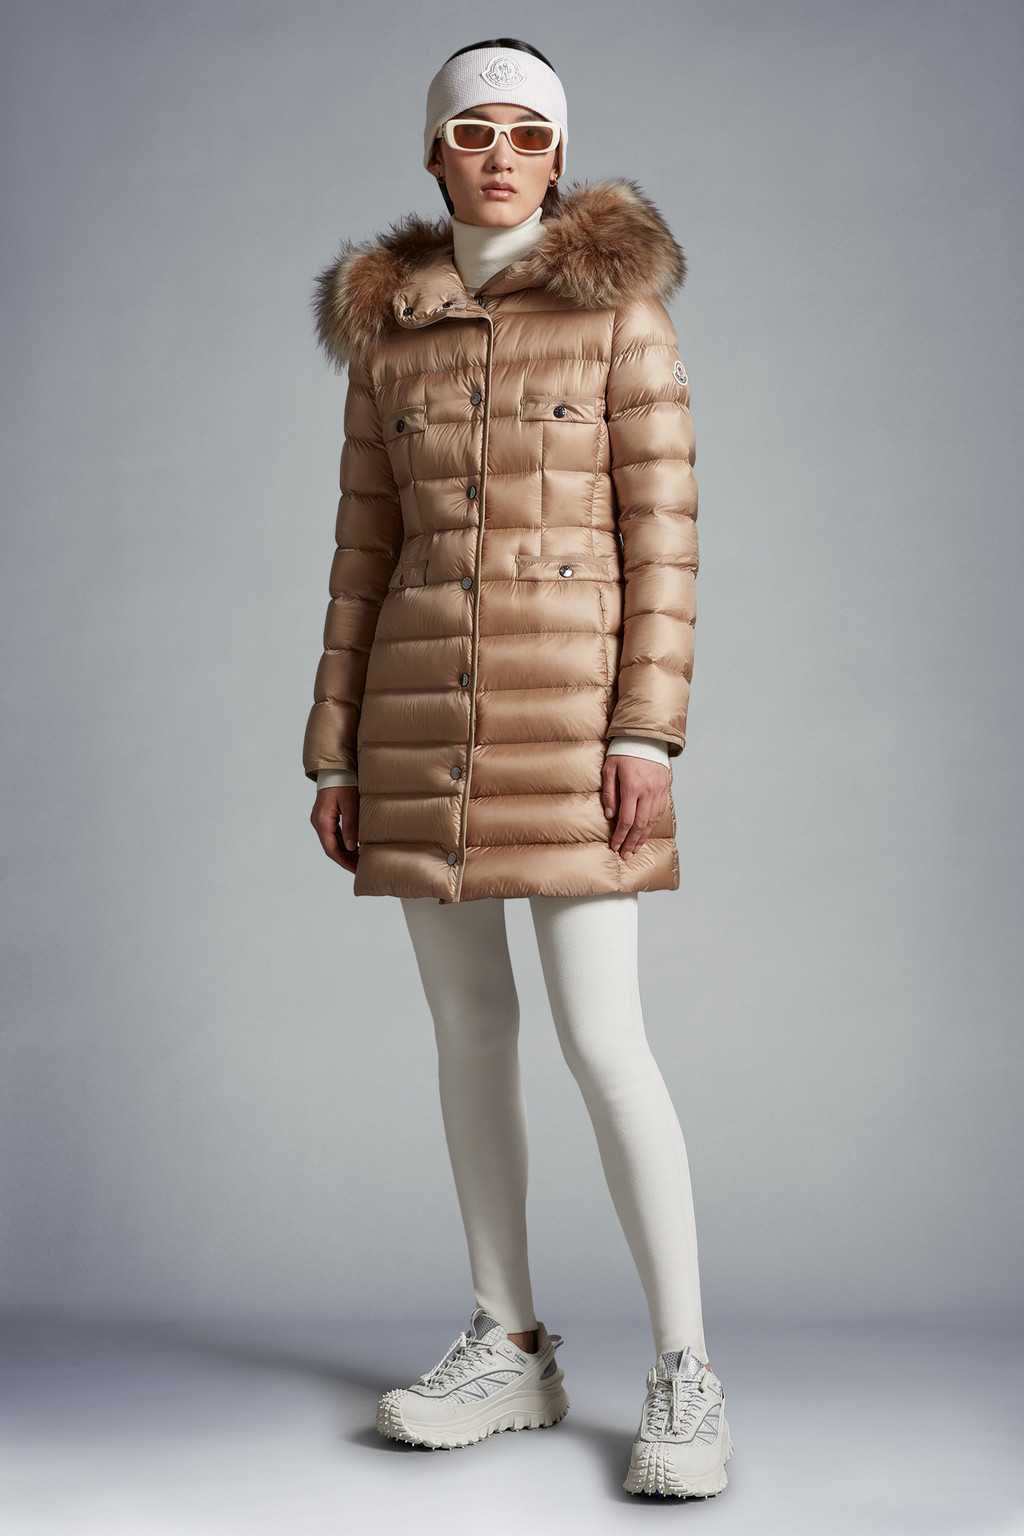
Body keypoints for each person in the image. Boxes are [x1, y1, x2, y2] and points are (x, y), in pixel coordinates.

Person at [304, 38, 733, 1499]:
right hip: (417, 721)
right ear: (433, 151)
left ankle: (685, 1369)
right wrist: (334, 748)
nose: (500, 156)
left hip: (578, 723)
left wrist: (644, 731)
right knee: (468, 1031)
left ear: (559, 155)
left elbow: (665, 537)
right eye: (473, 131)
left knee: (604, 1040)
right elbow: (364, 552)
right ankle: (511, 1341)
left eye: (528, 134)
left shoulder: (622, 314)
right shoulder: (390, 332)